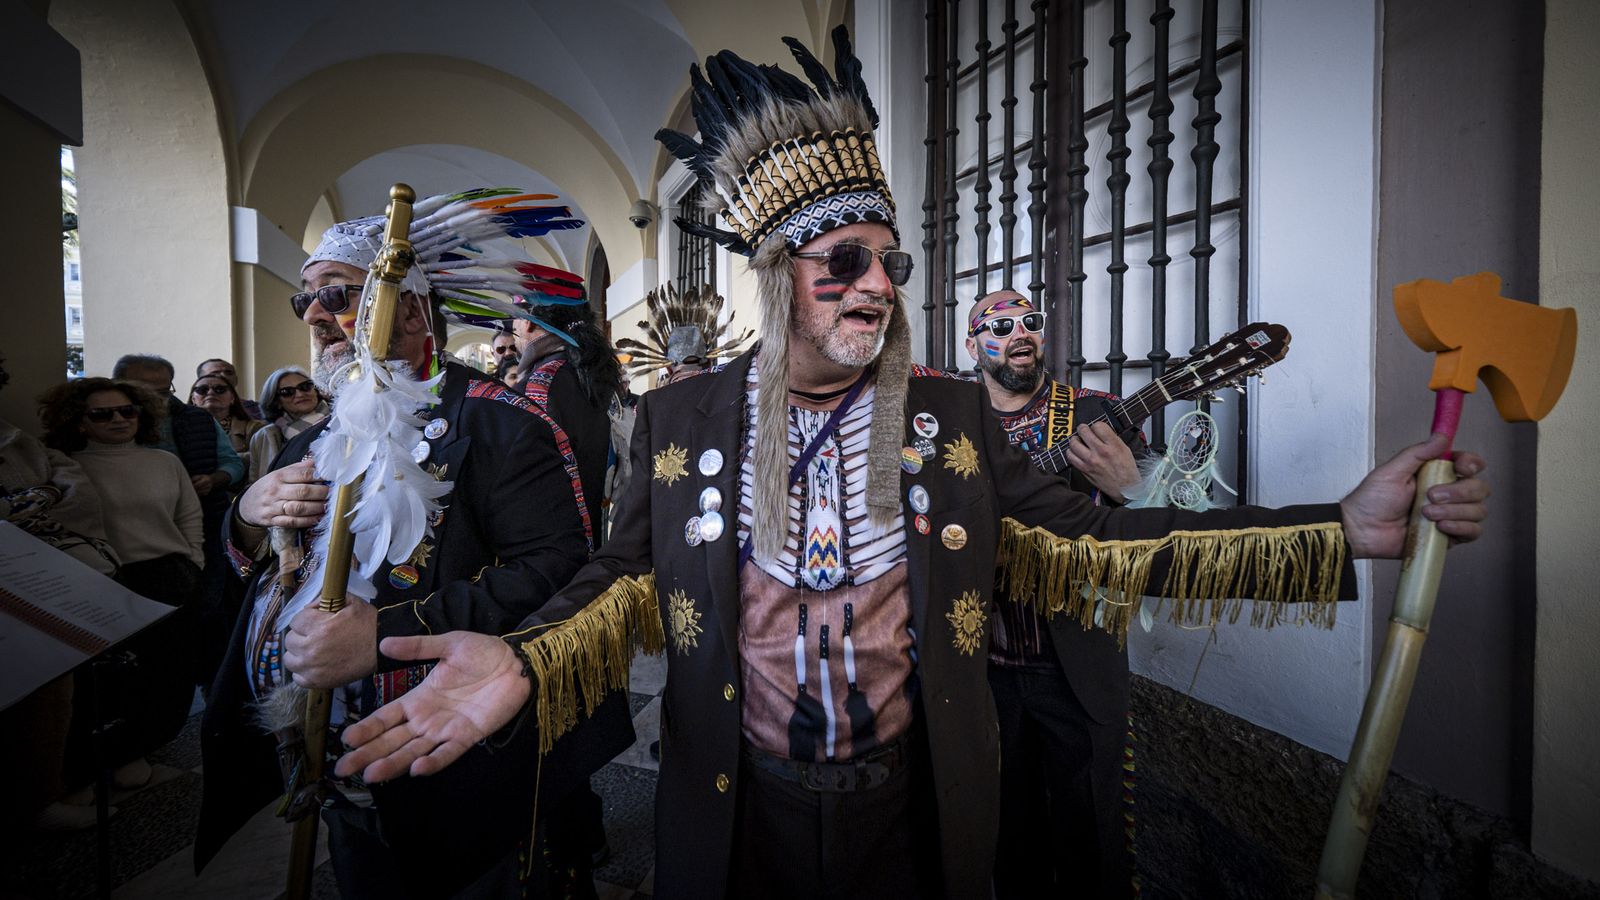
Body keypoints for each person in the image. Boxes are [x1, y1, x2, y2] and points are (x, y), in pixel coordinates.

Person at [332, 29, 1489, 900]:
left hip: (919, 811)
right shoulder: (685, 416)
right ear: (777, 269)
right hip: (740, 816)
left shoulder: (947, 420)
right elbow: (623, 580)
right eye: (844, 260)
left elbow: (1094, 544)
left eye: (890, 260)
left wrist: (1338, 528)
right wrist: (528, 662)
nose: (878, 285)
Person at [195, 191, 629, 900]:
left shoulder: (500, 425)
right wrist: (246, 515)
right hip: (328, 763)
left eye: (335, 293)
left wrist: (384, 637)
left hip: (457, 757)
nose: (312, 316)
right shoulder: (315, 437)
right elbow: (258, 562)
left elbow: (561, 574)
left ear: (415, 308)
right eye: (302, 300)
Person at [965, 290, 1144, 898]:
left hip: (1075, 665)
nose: (1020, 333)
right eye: (1000, 326)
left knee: (1091, 839)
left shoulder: (1095, 414)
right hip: (980, 668)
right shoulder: (952, 426)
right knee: (1007, 837)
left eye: (1030, 322)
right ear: (973, 345)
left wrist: (1131, 488)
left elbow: (1178, 523)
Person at [38, 377, 205, 812]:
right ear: (79, 422)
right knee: (104, 685)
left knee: (164, 675)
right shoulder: (65, 465)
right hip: (103, 580)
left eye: (126, 411)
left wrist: (193, 563)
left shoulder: (164, 461)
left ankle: (134, 753)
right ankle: (84, 770)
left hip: (169, 575)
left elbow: (190, 517)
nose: (118, 419)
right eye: (102, 413)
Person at [0, 356, 119, 834]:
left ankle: (37, 797)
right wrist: (34, 499)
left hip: (34, 581)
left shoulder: (14, 438)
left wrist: (29, 502)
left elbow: (73, 489)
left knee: (47, 696)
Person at [247, 366, 329, 484]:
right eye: (287, 392)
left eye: (305, 387)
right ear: (277, 402)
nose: (300, 394)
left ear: (316, 390)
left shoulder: (336, 423)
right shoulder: (263, 436)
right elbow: (254, 485)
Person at [189, 372, 266, 476]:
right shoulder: (180, 427)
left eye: (219, 389)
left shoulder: (256, 428)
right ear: (193, 399)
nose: (211, 393)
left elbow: (262, 459)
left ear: (232, 398)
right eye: (202, 390)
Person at [197, 358, 264, 420]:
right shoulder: (189, 414)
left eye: (229, 373)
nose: (224, 376)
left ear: (236, 379)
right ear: (201, 380)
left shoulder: (258, 410)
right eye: (215, 373)